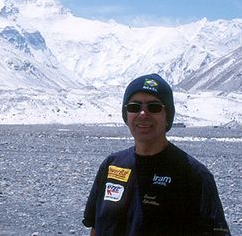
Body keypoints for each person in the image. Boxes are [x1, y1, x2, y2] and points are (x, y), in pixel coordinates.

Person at [82, 73, 230, 236]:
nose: (143, 114)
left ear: (167, 116)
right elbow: (95, 227)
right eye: (134, 107)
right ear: (126, 115)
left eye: (154, 107)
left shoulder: (193, 175)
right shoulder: (112, 166)